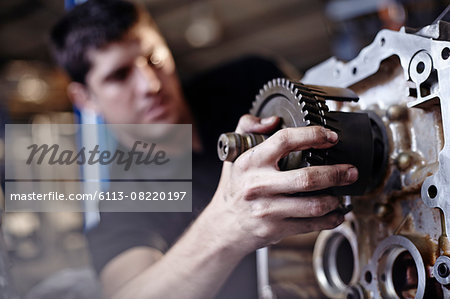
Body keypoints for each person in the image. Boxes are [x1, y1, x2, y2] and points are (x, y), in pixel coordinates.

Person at [50, 1, 358, 298]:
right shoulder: (125, 203)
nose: (150, 85)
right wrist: (228, 223)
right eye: (119, 75)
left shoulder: (249, 80)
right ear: (85, 99)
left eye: (154, 59)